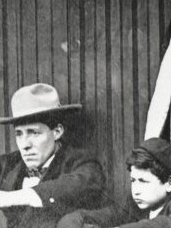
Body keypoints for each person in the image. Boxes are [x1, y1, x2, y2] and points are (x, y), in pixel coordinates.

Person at [0, 83, 106, 228]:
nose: (25, 145)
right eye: (19, 134)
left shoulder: (83, 163)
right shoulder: (9, 163)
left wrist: (10, 198)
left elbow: (77, 185)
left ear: (57, 132)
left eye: (34, 133)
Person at [56, 138, 171, 228]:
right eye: (133, 180)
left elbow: (163, 225)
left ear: (169, 183)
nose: (136, 190)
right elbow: (94, 216)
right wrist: (73, 221)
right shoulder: (135, 202)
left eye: (143, 181)